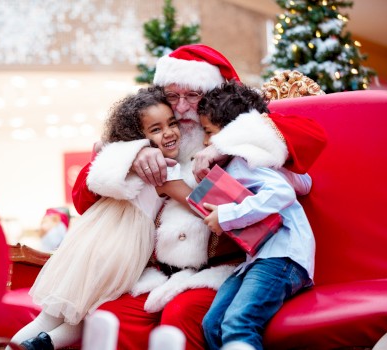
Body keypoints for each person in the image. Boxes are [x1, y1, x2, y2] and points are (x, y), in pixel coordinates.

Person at [72, 44, 327, 350]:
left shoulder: (236, 134)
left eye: (192, 95)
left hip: (221, 269)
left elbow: (310, 142)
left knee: (182, 316)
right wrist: (130, 154)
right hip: (157, 274)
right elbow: (83, 201)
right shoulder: (152, 135)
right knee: (111, 317)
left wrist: (227, 144)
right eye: (172, 96)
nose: (180, 108)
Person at [8, 87, 188, 350]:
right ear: (139, 138)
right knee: (88, 310)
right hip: (121, 248)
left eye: (172, 123)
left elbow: (99, 150)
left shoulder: (120, 162)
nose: (169, 132)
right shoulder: (163, 170)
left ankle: (36, 344)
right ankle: (39, 344)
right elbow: (197, 202)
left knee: (73, 311)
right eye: (156, 129)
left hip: (90, 241)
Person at [198, 81, 315, 350]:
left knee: (238, 322)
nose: (205, 142)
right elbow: (303, 183)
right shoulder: (251, 161)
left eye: (209, 132)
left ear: (230, 133)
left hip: (282, 258)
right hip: (260, 259)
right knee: (212, 324)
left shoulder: (245, 161)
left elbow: (282, 193)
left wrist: (227, 216)